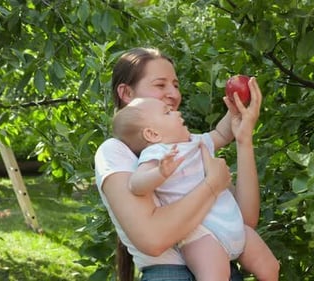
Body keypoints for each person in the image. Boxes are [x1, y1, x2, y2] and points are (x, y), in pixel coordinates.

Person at [94, 47, 265, 281]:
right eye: (160, 85)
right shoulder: (115, 151)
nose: (173, 94)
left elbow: (245, 220)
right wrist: (211, 186)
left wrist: (244, 138)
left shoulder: (187, 147)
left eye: (175, 85)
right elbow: (153, 240)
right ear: (126, 92)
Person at [112, 97, 279, 281]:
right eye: (167, 112)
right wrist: (160, 172)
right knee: (215, 277)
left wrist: (233, 112)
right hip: (201, 236)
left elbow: (222, 134)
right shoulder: (157, 153)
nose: (177, 112)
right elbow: (136, 184)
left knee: (270, 268)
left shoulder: (195, 141)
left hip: (234, 224)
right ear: (152, 134)